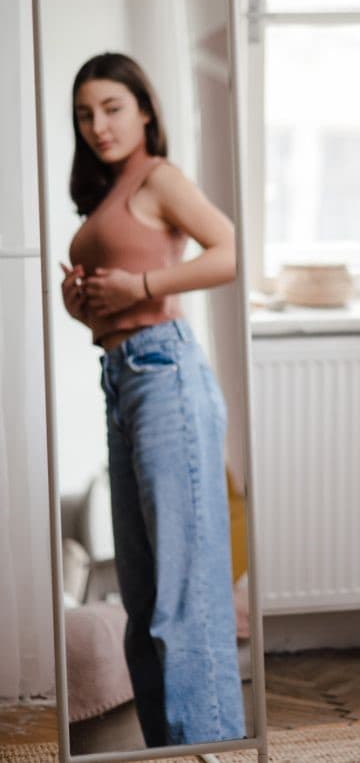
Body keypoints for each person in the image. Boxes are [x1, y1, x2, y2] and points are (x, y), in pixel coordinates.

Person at [60, 52, 245, 748]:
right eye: (85, 113)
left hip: (164, 373)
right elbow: (118, 297)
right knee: (142, 603)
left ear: (144, 109)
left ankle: (213, 746)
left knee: (181, 601)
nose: (97, 124)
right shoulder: (109, 189)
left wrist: (136, 289)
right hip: (123, 376)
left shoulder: (159, 175)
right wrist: (85, 304)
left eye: (110, 107)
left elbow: (231, 249)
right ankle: (172, 746)